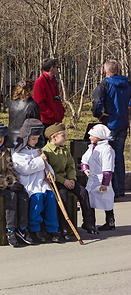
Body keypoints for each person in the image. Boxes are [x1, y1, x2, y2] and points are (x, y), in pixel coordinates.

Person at [0, 123, 34, 247]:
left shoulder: (5, 152)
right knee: (11, 196)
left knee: (23, 193)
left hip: (5, 185)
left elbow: (10, 170)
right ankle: (11, 230)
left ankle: (23, 227)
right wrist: (8, 186)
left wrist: (14, 182)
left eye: (2, 137)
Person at [43, 123, 97, 237]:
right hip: (56, 181)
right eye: (63, 135)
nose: (65, 138)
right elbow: (49, 171)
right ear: (54, 137)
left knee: (83, 192)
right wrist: (64, 181)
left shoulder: (64, 150)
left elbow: (71, 166)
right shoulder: (46, 151)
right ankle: (64, 227)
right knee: (63, 195)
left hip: (68, 179)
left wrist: (71, 178)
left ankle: (88, 222)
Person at [12, 119, 61, 243]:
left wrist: (50, 174)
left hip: (41, 181)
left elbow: (46, 165)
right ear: (26, 136)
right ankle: (35, 228)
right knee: (37, 198)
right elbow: (24, 168)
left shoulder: (39, 149)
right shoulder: (18, 150)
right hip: (29, 183)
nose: (36, 141)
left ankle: (53, 228)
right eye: (33, 138)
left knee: (51, 197)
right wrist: (40, 160)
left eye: (37, 138)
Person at [91, 59, 131, 198]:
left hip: (110, 124)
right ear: (118, 70)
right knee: (119, 156)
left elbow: (96, 101)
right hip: (123, 123)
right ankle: (120, 189)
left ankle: (110, 188)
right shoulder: (127, 84)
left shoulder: (105, 84)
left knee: (108, 157)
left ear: (105, 71)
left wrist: (99, 115)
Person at [81, 124, 116, 231]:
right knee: (90, 201)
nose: (90, 137)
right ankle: (91, 223)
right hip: (92, 179)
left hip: (101, 180)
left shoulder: (106, 149)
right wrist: (85, 168)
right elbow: (84, 159)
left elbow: (107, 167)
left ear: (99, 136)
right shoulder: (92, 147)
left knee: (106, 201)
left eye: (92, 135)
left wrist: (105, 183)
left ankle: (110, 222)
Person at [33, 58, 65, 133]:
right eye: (57, 67)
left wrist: (61, 111)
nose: (58, 69)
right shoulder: (40, 82)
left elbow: (56, 98)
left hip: (55, 119)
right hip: (47, 121)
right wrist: (50, 114)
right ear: (51, 68)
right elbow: (38, 103)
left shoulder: (53, 81)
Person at [8, 79, 41, 143]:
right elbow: (37, 124)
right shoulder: (32, 105)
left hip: (12, 137)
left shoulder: (12, 103)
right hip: (26, 139)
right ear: (29, 91)